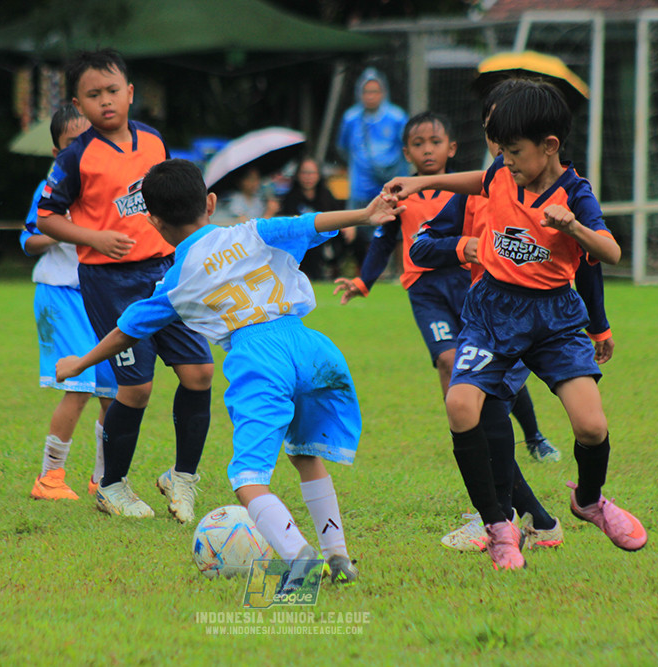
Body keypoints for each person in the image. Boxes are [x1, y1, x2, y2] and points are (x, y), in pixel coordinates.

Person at [56, 158, 406, 585]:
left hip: (257, 358)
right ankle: (339, 557)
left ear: (153, 222)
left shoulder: (176, 282)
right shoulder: (253, 231)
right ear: (211, 202)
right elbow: (307, 223)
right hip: (311, 347)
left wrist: (79, 362)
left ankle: (300, 557)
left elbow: (127, 329)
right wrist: (366, 214)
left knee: (247, 478)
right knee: (305, 455)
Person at [386, 79, 647, 570]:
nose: (505, 162)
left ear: (549, 146)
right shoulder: (501, 174)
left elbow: (610, 252)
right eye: (500, 151)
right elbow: (476, 181)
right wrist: (423, 183)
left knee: (591, 426)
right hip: (492, 313)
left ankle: (589, 501)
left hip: (555, 319)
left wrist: (570, 225)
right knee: (461, 405)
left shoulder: (575, 193)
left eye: (514, 152)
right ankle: (499, 525)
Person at [334, 109, 563, 553]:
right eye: (493, 136)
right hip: (472, 301)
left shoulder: (541, 190)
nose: (498, 146)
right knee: (478, 405)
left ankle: (506, 514)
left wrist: (594, 322)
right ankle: (528, 520)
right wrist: (367, 279)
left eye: (506, 138)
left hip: (510, 310)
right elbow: (416, 242)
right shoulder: (489, 183)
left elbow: (576, 251)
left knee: (485, 408)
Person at [36, 49, 214, 524]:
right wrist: (93, 236)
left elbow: (174, 197)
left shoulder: (154, 142)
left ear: (130, 93)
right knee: (134, 391)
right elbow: (46, 217)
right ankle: (111, 486)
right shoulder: (77, 157)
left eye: (112, 91)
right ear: (79, 102)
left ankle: (183, 476)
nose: (105, 102)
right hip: (109, 282)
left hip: (165, 273)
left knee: (199, 373)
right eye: (93, 95)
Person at [21, 103, 116, 501]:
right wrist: (64, 233)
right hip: (61, 294)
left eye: (87, 139)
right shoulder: (51, 188)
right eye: (70, 143)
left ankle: (105, 479)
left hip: (101, 295)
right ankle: (50, 478)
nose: (80, 148)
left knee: (114, 390)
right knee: (80, 386)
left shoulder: (110, 183)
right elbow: (28, 240)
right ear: (57, 152)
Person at [336, 67, 409, 269]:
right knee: (363, 229)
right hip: (361, 185)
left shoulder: (397, 117)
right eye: (367, 91)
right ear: (360, 93)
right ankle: (371, 272)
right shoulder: (350, 118)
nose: (371, 96)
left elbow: (406, 146)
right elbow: (342, 149)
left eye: (375, 91)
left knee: (398, 228)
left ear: (383, 93)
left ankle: (400, 272)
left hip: (392, 183)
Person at [279, 156, 346, 280]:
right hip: (301, 240)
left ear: (318, 175)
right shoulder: (290, 198)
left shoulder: (326, 195)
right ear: (298, 175)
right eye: (305, 173)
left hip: (325, 238)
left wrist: (348, 227)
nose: (308, 177)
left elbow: (337, 214)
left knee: (356, 237)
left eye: (311, 173)